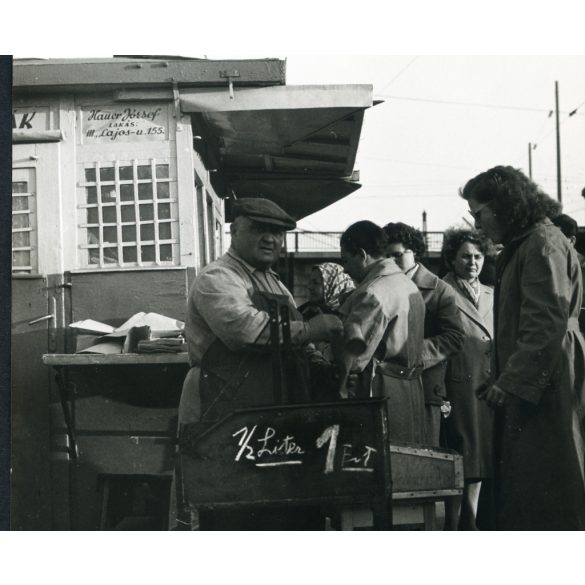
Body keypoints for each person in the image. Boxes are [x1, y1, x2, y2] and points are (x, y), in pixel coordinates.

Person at [178, 197, 343, 529]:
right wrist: (311, 329)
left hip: (275, 411)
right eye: (260, 229)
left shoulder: (273, 281)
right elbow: (244, 330)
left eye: (277, 233)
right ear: (235, 229)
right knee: (236, 512)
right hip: (226, 410)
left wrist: (324, 366)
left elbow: (297, 346)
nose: (271, 239)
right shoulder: (218, 278)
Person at [462, 165, 585, 530]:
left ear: (504, 206)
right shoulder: (530, 243)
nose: (477, 225)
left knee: (548, 487)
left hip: (549, 382)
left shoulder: (541, 245)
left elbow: (545, 324)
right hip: (543, 377)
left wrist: (510, 381)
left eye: (479, 214)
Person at [337, 220, 426, 443]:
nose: (345, 269)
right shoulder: (408, 284)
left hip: (382, 393)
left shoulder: (372, 292)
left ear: (362, 254)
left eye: (346, 260)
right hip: (412, 392)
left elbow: (355, 360)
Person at [383, 222, 465, 446]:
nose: (392, 262)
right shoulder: (382, 285)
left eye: (397, 255)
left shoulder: (439, 290)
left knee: (424, 458)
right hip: (389, 386)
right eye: (387, 256)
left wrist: (412, 355)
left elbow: (455, 337)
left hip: (425, 387)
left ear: (415, 252)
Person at [440, 227, 494, 530]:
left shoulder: (492, 293)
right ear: (452, 258)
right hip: (458, 386)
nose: (473, 262)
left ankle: (469, 523)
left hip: (487, 387)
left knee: (480, 460)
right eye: (465, 256)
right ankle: (455, 524)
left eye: (478, 256)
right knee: (460, 458)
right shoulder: (442, 290)